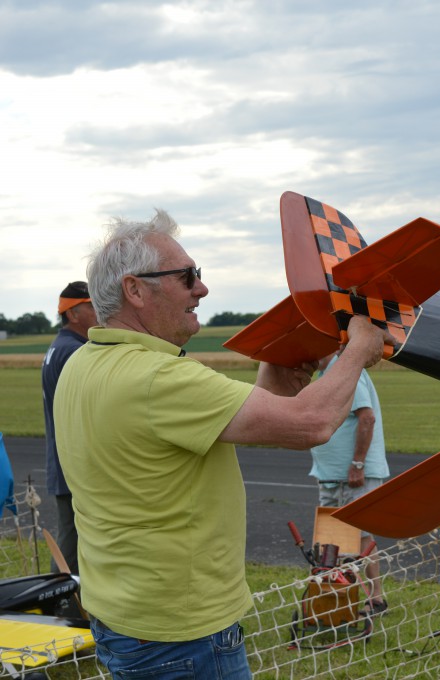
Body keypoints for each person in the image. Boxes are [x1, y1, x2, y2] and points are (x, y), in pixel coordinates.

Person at [54, 209, 390, 679]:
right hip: (183, 632)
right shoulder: (159, 379)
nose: (202, 289)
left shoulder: (85, 363)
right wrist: (358, 348)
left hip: (123, 615)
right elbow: (311, 423)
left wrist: (273, 380)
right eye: (187, 277)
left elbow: (197, 425)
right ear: (135, 289)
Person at [309, 356, 390, 615]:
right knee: (331, 538)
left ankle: (375, 598)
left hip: (353, 474)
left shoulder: (344, 371)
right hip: (332, 475)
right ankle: (338, 597)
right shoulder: (330, 374)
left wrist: (358, 464)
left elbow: (366, 417)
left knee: (361, 536)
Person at [41, 281, 97, 575]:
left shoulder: (60, 347)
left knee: (72, 541)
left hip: (64, 464)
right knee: (73, 548)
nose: (99, 310)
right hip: (73, 466)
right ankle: (61, 608)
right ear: (72, 314)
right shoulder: (74, 352)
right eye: (92, 306)